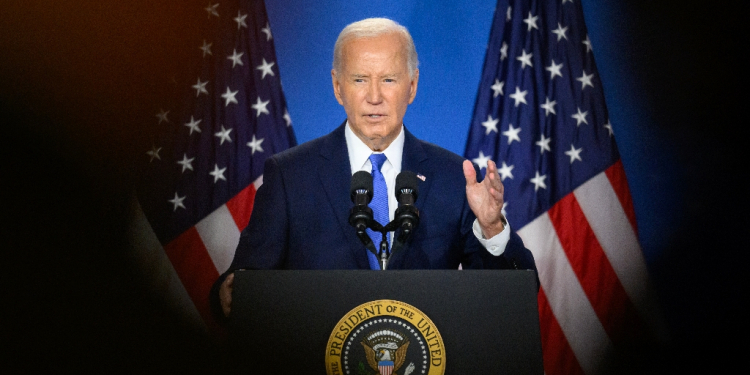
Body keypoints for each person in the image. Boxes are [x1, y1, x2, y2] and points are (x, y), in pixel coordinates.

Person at [209, 18, 536, 322]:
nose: (374, 97)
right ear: (338, 87)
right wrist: (229, 293)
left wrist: (492, 228)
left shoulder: (453, 177)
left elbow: (515, 292)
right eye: (360, 80)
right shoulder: (290, 176)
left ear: (412, 86)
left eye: (389, 80)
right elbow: (244, 284)